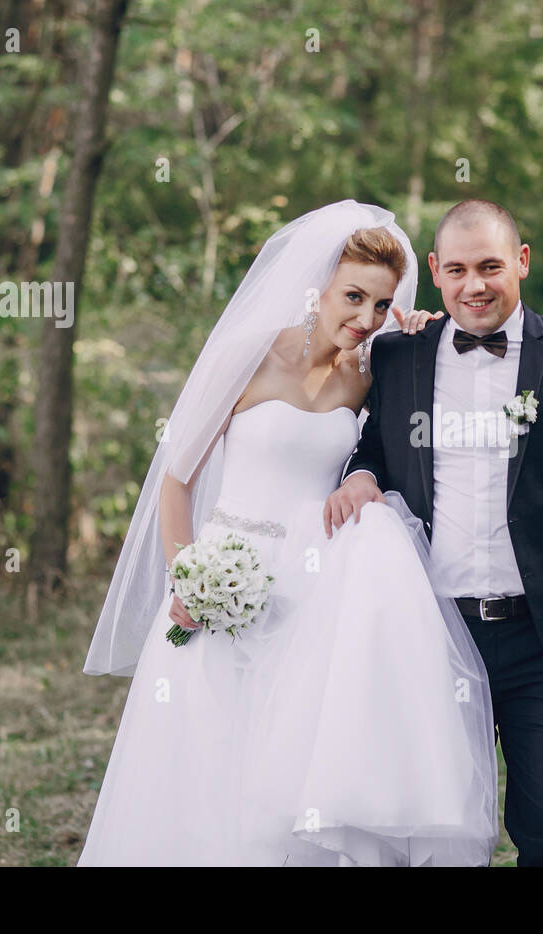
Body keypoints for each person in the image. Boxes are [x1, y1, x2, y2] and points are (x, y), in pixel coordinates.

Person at [78, 200, 497, 866]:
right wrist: (185, 575)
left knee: (288, 772)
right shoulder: (251, 355)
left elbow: (420, 434)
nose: (364, 318)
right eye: (352, 296)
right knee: (205, 760)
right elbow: (175, 480)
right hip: (220, 578)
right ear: (319, 286)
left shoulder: (372, 369)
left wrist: (419, 339)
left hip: (312, 592)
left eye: (382, 304)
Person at [326, 198, 543, 866]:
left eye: (490, 266)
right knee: (439, 834)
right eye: (457, 269)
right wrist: (361, 472)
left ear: (522, 263)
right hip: (431, 635)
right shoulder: (398, 357)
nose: (474, 285)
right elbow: (371, 447)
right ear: (435, 272)